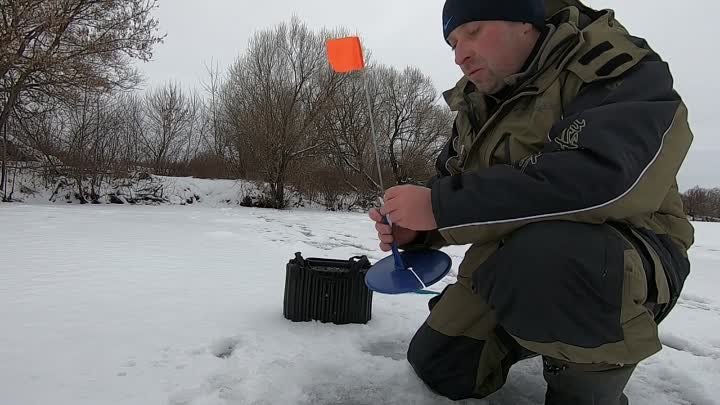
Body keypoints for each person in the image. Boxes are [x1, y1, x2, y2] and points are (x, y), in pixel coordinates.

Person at [368, 0, 695, 404]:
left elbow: (603, 180)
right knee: (440, 366)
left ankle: (583, 389)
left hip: (626, 259)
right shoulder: (476, 104)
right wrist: (419, 227)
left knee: (549, 256)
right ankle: (540, 327)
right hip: (510, 261)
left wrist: (440, 205)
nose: (459, 55)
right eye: (452, 43)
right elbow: (454, 185)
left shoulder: (618, 66)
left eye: (472, 32)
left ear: (525, 21)